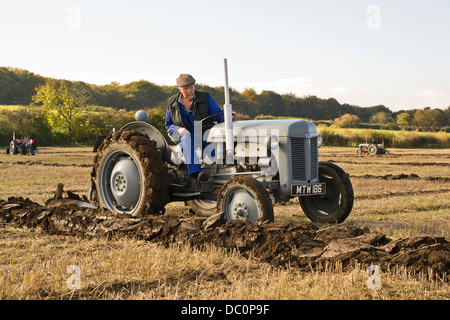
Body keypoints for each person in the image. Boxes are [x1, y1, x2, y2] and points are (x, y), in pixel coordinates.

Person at [165, 74, 227, 181]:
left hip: (203, 132)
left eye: (191, 87)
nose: (189, 91)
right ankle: (196, 173)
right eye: (185, 89)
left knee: (216, 152)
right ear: (179, 89)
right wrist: (179, 129)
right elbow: (169, 124)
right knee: (186, 138)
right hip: (185, 135)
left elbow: (218, 114)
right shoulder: (172, 104)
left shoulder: (204, 98)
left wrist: (228, 116)